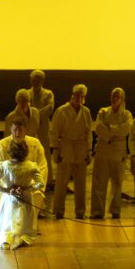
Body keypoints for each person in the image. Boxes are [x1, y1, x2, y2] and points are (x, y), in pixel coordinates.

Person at [0, 139, 44, 249]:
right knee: (23, 219)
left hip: (9, 198)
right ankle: (21, 237)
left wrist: (7, 190)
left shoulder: (3, 166)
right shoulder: (31, 166)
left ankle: (7, 239)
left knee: (9, 219)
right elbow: (40, 184)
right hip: (25, 197)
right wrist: (27, 189)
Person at [50, 84, 92, 219]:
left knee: (81, 183)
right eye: (77, 95)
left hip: (80, 148)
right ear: (72, 95)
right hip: (66, 147)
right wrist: (55, 149)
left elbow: (88, 133)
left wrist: (89, 151)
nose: (79, 98)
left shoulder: (86, 112)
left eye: (82, 96)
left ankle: (80, 211)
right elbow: (54, 132)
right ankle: (58, 210)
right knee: (62, 182)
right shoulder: (61, 111)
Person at [90, 88, 133, 219]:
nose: (114, 98)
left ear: (122, 99)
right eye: (113, 96)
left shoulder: (127, 114)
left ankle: (115, 210)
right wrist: (114, 132)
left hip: (118, 153)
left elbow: (125, 130)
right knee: (99, 183)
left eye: (117, 96)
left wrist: (109, 128)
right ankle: (97, 211)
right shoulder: (103, 111)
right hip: (103, 151)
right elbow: (98, 128)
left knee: (117, 183)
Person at [0, 117, 48, 218]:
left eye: (20, 130)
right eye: (15, 130)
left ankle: (31, 225)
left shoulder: (35, 144)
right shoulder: (1, 145)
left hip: (29, 187)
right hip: (9, 187)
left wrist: (29, 187)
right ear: (10, 129)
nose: (17, 134)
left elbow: (42, 167)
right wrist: (9, 187)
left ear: (25, 129)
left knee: (35, 199)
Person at [27, 70, 55, 188]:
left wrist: (35, 114)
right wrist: (33, 115)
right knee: (30, 151)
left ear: (42, 81)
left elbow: (50, 108)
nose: (36, 81)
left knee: (45, 152)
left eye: (38, 79)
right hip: (30, 125)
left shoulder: (48, 94)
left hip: (43, 126)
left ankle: (48, 180)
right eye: (34, 79)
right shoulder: (27, 93)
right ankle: (29, 179)